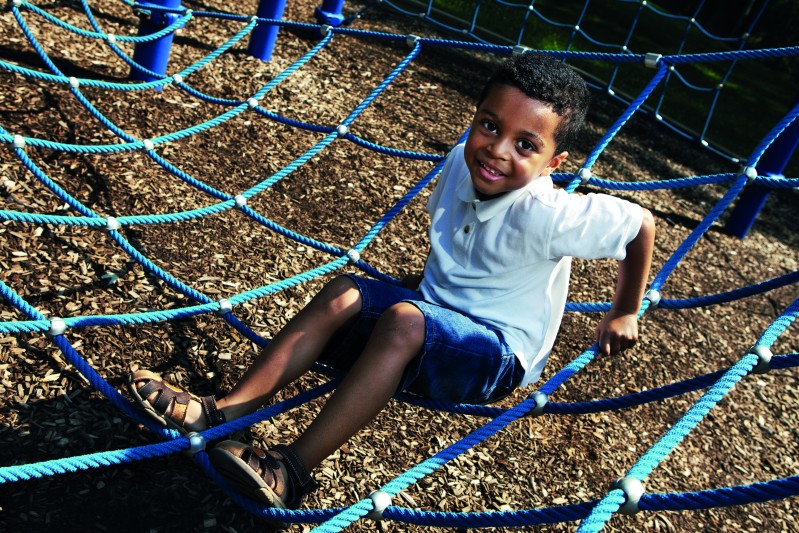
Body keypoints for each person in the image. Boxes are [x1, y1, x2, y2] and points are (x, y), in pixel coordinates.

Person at [128, 52, 655, 515]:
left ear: (552, 164)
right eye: (489, 126)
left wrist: (624, 310)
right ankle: (226, 412)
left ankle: (291, 470)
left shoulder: (549, 213)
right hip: (432, 317)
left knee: (402, 321)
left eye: (525, 144)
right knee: (345, 291)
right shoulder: (461, 161)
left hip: (496, 355)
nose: (497, 150)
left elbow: (639, 226)